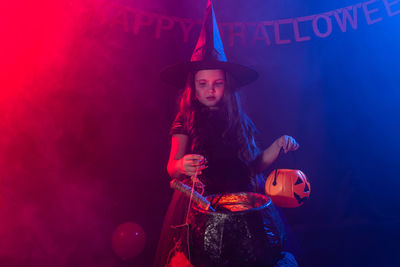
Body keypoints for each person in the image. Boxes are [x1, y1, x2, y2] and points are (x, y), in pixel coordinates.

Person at [155, 1, 300, 266]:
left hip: (242, 200)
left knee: (246, 255)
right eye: (203, 84)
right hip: (200, 205)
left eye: (217, 84)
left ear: (226, 86)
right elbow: (171, 167)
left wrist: (277, 145)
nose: (210, 90)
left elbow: (256, 165)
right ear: (193, 88)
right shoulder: (186, 119)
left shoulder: (239, 121)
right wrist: (181, 164)